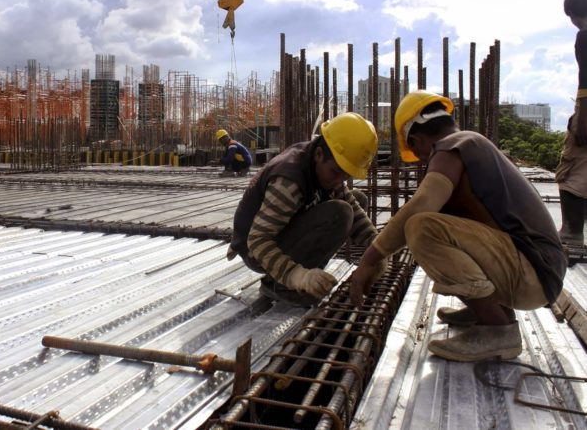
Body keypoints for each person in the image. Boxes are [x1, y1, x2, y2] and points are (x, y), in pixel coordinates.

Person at [347, 90, 567, 362]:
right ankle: (488, 310)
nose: (425, 164)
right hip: (537, 270)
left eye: (418, 155)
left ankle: (497, 329)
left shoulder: (454, 146)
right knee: (440, 223)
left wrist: (371, 258)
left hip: (533, 272)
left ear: (415, 140)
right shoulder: (472, 145)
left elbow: (422, 205)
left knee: (421, 227)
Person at [226, 112, 384, 306]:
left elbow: (351, 203)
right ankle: (280, 285)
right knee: (340, 213)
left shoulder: (317, 161)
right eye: (335, 172)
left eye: (346, 176)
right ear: (319, 155)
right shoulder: (289, 182)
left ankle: (305, 272)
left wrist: (378, 248)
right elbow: (258, 240)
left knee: (354, 201)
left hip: (275, 234)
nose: (339, 181)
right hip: (258, 251)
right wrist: (298, 276)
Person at [558, 0, 587, 246]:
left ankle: (571, 234)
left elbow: (585, 80)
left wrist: (583, 120)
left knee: (571, 172)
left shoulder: (584, 36)